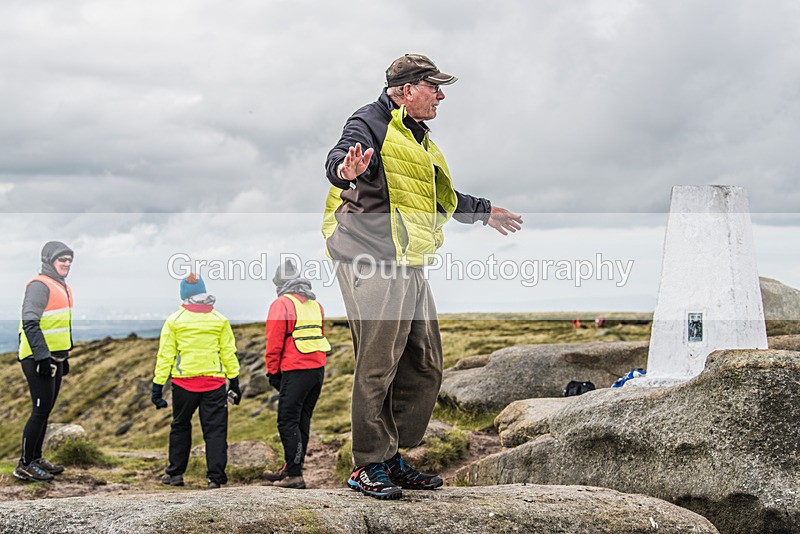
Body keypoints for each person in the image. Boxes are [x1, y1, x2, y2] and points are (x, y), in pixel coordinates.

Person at [323, 53, 523, 500]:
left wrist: (484, 211)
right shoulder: (369, 121)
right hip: (368, 258)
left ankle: (390, 455)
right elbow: (340, 157)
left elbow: (440, 198)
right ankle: (368, 463)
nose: (441, 95)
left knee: (426, 362)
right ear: (407, 89)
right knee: (378, 364)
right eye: (434, 86)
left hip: (408, 258)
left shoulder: (419, 138)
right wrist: (345, 169)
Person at [151, 273, 242, 489]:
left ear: (184, 295)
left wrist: (157, 387)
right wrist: (234, 381)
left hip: (184, 384)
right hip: (214, 384)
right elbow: (228, 353)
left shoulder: (174, 321)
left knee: (180, 426)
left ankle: (175, 474)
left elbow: (166, 356)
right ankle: (215, 478)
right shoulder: (220, 320)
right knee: (215, 431)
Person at [262, 259, 330, 489]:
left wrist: (273, 371)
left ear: (280, 284)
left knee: (287, 420)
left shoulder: (281, 304)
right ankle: (291, 469)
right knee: (302, 420)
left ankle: (294, 474)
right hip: (317, 369)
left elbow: (273, 341)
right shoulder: (315, 304)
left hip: (295, 368)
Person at [13, 241, 75, 482]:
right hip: (38, 358)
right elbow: (30, 322)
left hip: (54, 358)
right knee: (39, 410)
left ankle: (36, 458)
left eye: (70, 260)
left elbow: (59, 325)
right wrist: (42, 357)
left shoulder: (62, 286)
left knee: (46, 409)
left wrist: (64, 356)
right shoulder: (39, 286)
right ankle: (25, 464)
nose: (67, 264)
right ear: (49, 260)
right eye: (62, 259)